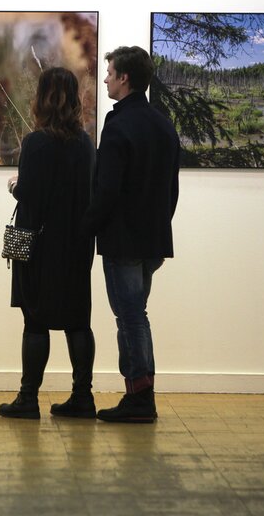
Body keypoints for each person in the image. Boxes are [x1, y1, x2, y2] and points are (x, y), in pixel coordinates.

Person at [83, 46, 180, 423]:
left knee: (131, 318)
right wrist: (158, 225)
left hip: (123, 241)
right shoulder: (162, 124)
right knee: (136, 314)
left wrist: (85, 229)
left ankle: (140, 399)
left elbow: (107, 190)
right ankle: (139, 395)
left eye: (109, 72)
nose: (105, 77)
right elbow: (172, 190)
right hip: (153, 241)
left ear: (124, 78)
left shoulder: (119, 124)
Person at [0, 67, 96, 420]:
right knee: (78, 322)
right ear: (73, 100)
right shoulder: (86, 143)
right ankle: (82, 397)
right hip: (77, 246)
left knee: (35, 321)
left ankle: (28, 399)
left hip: (37, 246)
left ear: (42, 98)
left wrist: (13, 184)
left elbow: (30, 195)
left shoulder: (36, 143)